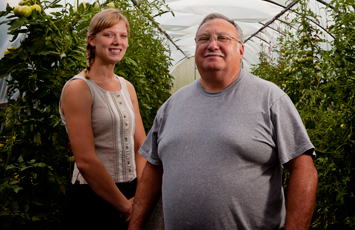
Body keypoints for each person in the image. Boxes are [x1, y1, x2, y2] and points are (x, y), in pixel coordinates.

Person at [128, 13, 318, 230]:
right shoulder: (172, 106)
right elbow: (153, 168)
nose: (212, 45)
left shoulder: (269, 99)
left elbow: (305, 170)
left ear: (241, 50)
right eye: (204, 38)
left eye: (223, 38)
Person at [59, 9, 147, 229]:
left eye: (123, 35)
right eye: (109, 34)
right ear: (92, 40)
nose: (117, 41)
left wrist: (139, 197)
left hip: (131, 194)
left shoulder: (127, 87)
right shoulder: (79, 88)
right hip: (92, 199)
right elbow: (86, 161)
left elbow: (141, 146)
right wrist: (127, 208)